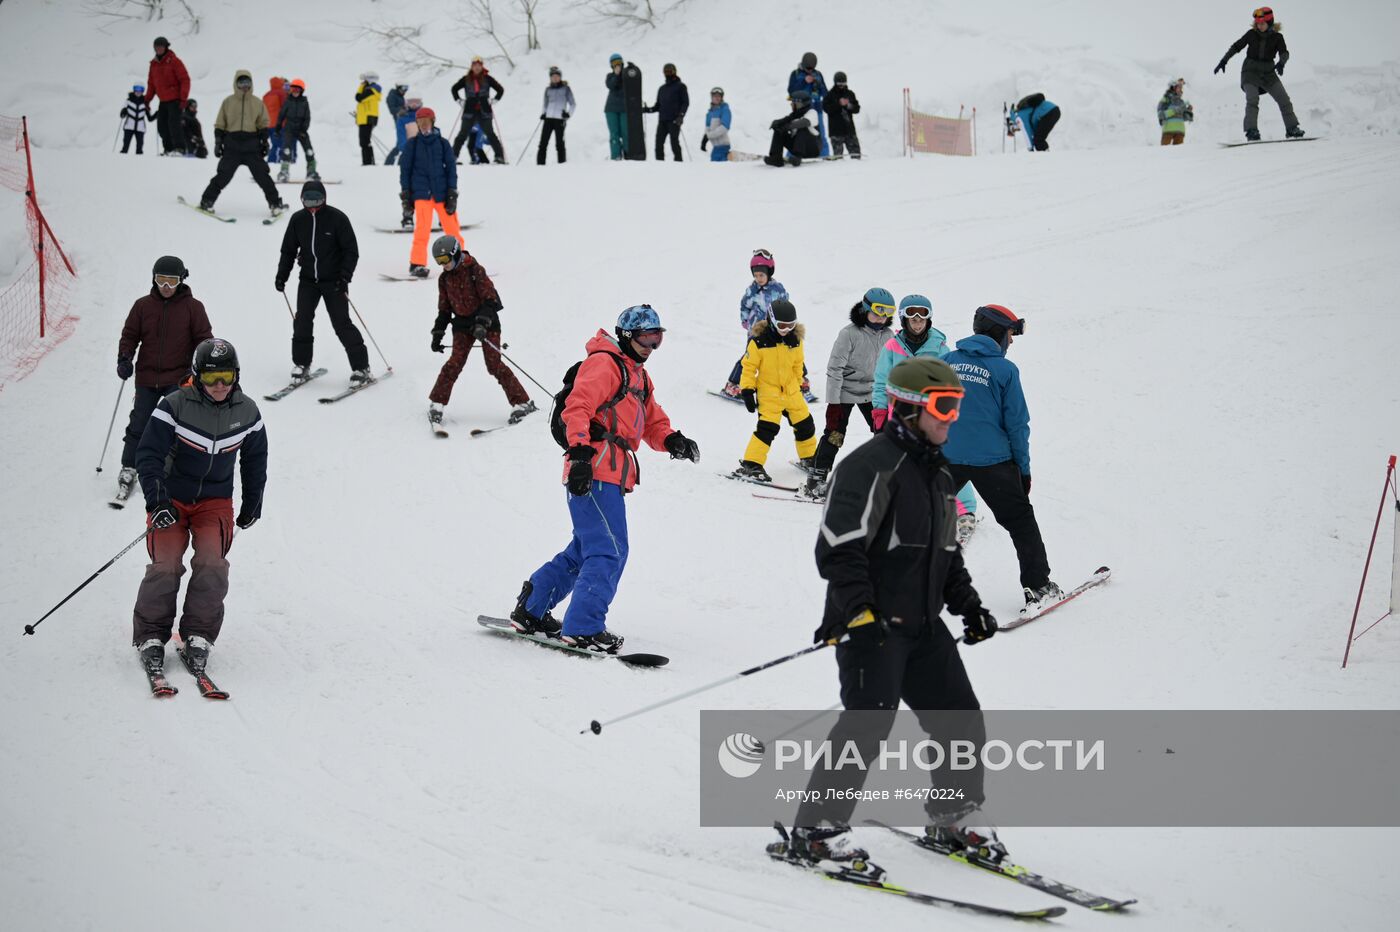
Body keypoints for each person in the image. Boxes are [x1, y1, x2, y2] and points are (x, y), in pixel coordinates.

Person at [769, 355, 1001, 869]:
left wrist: (969, 606)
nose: (952, 417)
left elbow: (945, 555)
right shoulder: (869, 465)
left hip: (922, 625)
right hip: (870, 624)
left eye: (957, 405)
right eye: (944, 405)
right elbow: (837, 548)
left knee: (960, 721)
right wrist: (859, 614)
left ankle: (953, 816)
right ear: (908, 408)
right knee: (867, 726)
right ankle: (816, 831)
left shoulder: (939, 475)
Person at [509, 305, 700, 653]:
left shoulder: (637, 375)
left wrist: (672, 439)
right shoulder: (604, 363)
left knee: (585, 550)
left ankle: (532, 609)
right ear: (627, 336)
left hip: (610, 472)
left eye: (658, 339)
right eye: (646, 338)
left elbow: (652, 421)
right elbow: (577, 407)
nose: (651, 346)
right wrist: (581, 453)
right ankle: (583, 627)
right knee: (609, 549)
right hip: (594, 469)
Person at [132, 338, 267, 685]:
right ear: (197, 377)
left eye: (226, 376)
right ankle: (150, 634)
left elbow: (255, 460)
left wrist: (253, 502)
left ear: (236, 375)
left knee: (211, 563)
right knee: (165, 565)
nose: (220, 385)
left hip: (215, 501)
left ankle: (199, 634)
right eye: (211, 378)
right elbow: (147, 455)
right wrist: (157, 500)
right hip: (171, 499)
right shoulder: (173, 406)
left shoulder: (247, 412)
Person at [942, 304, 1061, 608]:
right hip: (992, 462)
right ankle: (1038, 587)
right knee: (1020, 521)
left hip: (946, 457)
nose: (1012, 340)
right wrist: (1023, 469)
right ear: (998, 333)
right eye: (1010, 333)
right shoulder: (1005, 370)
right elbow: (1017, 424)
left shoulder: (947, 362)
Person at [869, 294, 980, 540]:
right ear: (903, 318)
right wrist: (878, 412)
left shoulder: (940, 347)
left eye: (922, 316)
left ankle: (965, 511)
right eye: (912, 316)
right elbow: (880, 382)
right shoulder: (892, 347)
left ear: (929, 319)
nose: (917, 321)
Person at [114, 256, 214, 502]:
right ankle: (130, 467)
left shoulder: (193, 308)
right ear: (154, 279)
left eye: (172, 281)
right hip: (147, 376)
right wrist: (125, 358)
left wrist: (202, 367)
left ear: (181, 281)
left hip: (178, 378)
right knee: (140, 422)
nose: (166, 287)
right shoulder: (142, 306)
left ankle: (172, 468)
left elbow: (204, 339)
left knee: (173, 424)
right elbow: (130, 335)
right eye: (161, 281)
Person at [427, 235, 535, 427]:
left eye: (445, 260)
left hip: (487, 322)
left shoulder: (475, 270)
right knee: (454, 363)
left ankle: (522, 403)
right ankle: (437, 403)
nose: (443, 265)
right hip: (462, 325)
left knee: (494, 365)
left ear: (455, 253)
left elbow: (490, 299)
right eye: (438, 262)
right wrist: (438, 333)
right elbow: (444, 310)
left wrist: (481, 323)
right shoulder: (444, 279)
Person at [799, 287, 894, 499]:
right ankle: (816, 479)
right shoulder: (849, 333)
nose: (881, 318)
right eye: (878, 312)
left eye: (887, 313)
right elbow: (834, 370)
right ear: (865, 309)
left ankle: (883, 480)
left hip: (873, 392)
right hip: (844, 391)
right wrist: (833, 404)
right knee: (835, 434)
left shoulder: (889, 335)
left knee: (884, 435)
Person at [275, 181, 371, 386]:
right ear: (302, 200)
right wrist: (282, 275)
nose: (313, 206)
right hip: (308, 280)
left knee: (341, 324)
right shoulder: (298, 220)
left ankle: (361, 367)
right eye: (308, 201)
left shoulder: (337, 219)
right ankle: (301, 364)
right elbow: (288, 251)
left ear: (324, 199)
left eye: (317, 200)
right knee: (302, 321)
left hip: (334, 281)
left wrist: (345, 276)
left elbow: (351, 251)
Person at [731, 298, 817, 483]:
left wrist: (799, 382)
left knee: (805, 424)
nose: (786, 330)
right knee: (767, 429)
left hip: (792, 391)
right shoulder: (759, 342)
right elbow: (748, 367)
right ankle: (751, 464)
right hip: (769, 393)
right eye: (782, 326)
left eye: (791, 326)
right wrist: (747, 390)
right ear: (771, 321)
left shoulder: (795, 340)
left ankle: (809, 457)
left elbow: (798, 364)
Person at [198, 70, 286, 215]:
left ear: (251, 84)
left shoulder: (257, 103)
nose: (244, 86)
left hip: (252, 146)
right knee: (223, 175)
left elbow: (263, 124)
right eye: (241, 83)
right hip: (232, 146)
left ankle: (275, 204)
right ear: (236, 84)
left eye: (247, 83)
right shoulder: (228, 102)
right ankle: (206, 201)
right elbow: (220, 124)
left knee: (263, 176)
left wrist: (264, 142)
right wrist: (218, 142)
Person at [1214, 6, 1304, 141]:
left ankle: (1292, 128)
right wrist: (1224, 60)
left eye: (1263, 23)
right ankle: (1251, 131)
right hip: (1250, 71)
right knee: (1252, 99)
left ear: (1270, 22)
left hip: (1268, 72)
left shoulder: (1277, 37)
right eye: (1258, 23)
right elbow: (1236, 46)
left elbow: (1284, 52)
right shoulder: (1251, 34)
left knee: (1284, 99)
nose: (1260, 26)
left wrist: (1281, 63)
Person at [399, 107, 463, 278]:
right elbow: (405, 171)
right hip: (421, 195)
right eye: (420, 123)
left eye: (426, 122)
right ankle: (417, 264)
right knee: (422, 230)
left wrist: (452, 192)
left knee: (453, 229)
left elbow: (451, 169)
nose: (424, 126)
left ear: (433, 122)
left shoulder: (443, 144)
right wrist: (406, 194)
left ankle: (461, 260)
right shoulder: (412, 145)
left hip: (442, 194)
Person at [721, 250, 789, 399]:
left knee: (782, 353)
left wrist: (785, 321)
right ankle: (733, 384)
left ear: (769, 273)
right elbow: (744, 306)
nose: (758, 278)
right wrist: (745, 321)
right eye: (755, 275)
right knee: (750, 357)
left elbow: (785, 305)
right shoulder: (752, 291)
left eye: (761, 275)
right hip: (755, 331)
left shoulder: (778, 290)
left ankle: (796, 382)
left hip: (775, 330)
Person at [451, 56, 505, 164]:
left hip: (484, 111)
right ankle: (453, 157)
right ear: (471, 67)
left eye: (479, 66)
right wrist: (459, 101)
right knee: (462, 134)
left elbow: (500, 89)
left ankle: (499, 157)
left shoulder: (487, 78)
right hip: (469, 111)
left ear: (482, 66)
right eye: (474, 65)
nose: (476, 68)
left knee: (490, 134)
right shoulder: (466, 79)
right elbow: (454, 89)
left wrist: (494, 100)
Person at [144, 36, 189, 155]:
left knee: (174, 124)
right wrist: (147, 100)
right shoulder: (153, 64)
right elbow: (151, 84)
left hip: (175, 100)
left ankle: (179, 148)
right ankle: (168, 149)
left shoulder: (174, 61)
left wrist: (183, 98)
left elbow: (185, 79)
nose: (158, 49)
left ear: (166, 47)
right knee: (162, 126)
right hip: (163, 100)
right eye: (156, 47)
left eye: (161, 47)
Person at [787, 52, 829, 157]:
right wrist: (804, 82)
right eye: (808, 68)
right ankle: (790, 156)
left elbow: (825, 93)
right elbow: (791, 91)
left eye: (812, 68)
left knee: (821, 134)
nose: (810, 70)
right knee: (796, 132)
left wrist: (819, 85)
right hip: (800, 109)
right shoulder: (795, 74)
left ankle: (824, 155)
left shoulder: (818, 74)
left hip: (816, 108)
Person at [643, 63, 688, 161]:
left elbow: (685, 102)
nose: (668, 73)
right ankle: (660, 164)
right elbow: (658, 106)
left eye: (670, 71)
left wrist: (681, 116)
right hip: (662, 120)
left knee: (674, 143)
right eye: (665, 72)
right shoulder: (662, 89)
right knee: (658, 143)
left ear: (674, 72)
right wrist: (647, 110)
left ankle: (679, 164)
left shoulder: (681, 86)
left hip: (674, 120)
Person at [276, 78, 318, 182]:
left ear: (301, 91)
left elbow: (307, 117)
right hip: (289, 129)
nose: (295, 92)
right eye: (293, 89)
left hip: (301, 130)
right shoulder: (288, 101)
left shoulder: (304, 102)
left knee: (309, 151)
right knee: (286, 150)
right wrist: (278, 126)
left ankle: (311, 171)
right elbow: (281, 115)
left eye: (298, 90)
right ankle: (284, 172)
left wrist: (304, 129)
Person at [765, 90, 822, 167]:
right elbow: (785, 120)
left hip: (812, 149)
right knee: (779, 130)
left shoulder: (812, 112)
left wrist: (787, 126)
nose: (791, 104)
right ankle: (776, 158)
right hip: (798, 148)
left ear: (800, 104)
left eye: (793, 103)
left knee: (802, 129)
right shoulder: (794, 115)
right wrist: (777, 123)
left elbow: (805, 122)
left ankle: (797, 158)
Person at [538, 66, 576, 165]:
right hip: (548, 119)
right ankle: (540, 165)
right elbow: (545, 104)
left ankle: (562, 164)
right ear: (550, 78)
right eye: (553, 76)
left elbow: (573, 104)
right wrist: (543, 113)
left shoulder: (566, 89)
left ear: (560, 77)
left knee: (560, 144)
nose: (555, 78)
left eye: (557, 76)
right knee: (543, 143)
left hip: (560, 119)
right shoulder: (548, 90)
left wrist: (568, 114)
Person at [822, 71, 861, 159]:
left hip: (849, 130)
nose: (841, 86)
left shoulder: (850, 94)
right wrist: (839, 104)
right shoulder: (829, 95)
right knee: (838, 158)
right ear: (835, 83)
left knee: (856, 156)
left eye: (843, 83)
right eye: (839, 84)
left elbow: (857, 109)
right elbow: (826, 109)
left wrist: (848, 105)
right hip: (836, 132)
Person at [355, 72, 382, 166]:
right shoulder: (370, 89)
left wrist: (361, 87)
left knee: (364, 141)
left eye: (364, 81)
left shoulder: (371, 90)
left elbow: (358, 98)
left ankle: (368, 162)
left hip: (367, 118)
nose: (362, 83)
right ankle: (368, 162)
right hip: (366, 118)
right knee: (365, 141)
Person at [604, 53, 628, 160]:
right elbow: (611, 86)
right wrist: (616, 75)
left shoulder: (627, 75)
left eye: (619, 62)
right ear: (611, 65)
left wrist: (633, 69)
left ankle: (629, 154)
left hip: (625, 109)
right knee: (614, 134)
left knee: (626, 133)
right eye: (614, 63)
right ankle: (616, 156)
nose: (617, 65)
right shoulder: (610, 76)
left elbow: (635, 81)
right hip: (611, 109)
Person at [388, 95, 421, 175]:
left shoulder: (423, 117)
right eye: (411, 102)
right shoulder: (402, 119)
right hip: (408, 149)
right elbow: (401, 136)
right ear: (406, 103)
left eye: (416, 102)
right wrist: (406, 148)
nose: (413, 105)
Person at [1157, 78, 1194, 145]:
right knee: (1163, 154)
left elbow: (1182, 117)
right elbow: (1161, 115)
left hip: (1180, 132)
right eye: (1179, 87)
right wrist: (1175, 110)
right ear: (1173, 87)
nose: (1181, 89)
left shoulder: (1181, 102)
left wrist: (1189, 112)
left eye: (1181, 87)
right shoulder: (1166, 100)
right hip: (1168, 131)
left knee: (1178, 155)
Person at [701, 87, 731, 162]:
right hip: (715, 147)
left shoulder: (725, 110)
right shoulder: (709, 113)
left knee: (718, 170)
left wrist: (708, 135)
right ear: (711, 97)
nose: (717, 98)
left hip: (723, 146)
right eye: (715, 96)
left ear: (721, 98)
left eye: (719, 96)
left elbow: (724, 128)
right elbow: (708, 128)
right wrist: (704, 139)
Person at [263, 77, 288, 166]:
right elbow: (285, 108)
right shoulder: (282, 94)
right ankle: (272, 164)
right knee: (279, 145)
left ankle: (270, 164)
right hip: (278, 124)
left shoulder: (266, 95)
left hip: (268, 125)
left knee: (275, 144)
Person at [120, 84, 151, 155]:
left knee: (139, 148)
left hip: (140, 128)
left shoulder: (145, 102)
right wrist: (123, 112)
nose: (138, 92)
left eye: (140, 90)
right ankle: (121, 160)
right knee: (125, 146)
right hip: (129, 126)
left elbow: (150, 118)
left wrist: (157, 114)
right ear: (134, 90)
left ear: (143, 91)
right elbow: (123, 112)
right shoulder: (128, 100)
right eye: (136, 89)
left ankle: (139, 161)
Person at [383, 83, 409, 164]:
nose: (405, 90)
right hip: (399, 121)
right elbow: (392, 109)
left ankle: (396, 162)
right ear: (398, 87)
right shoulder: (392, 95)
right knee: (401, 143)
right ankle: (390, 162)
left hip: (404, 121)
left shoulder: (400, 96)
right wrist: (401, 110)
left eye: (406, 88)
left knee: (403, 142)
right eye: (403, 88)